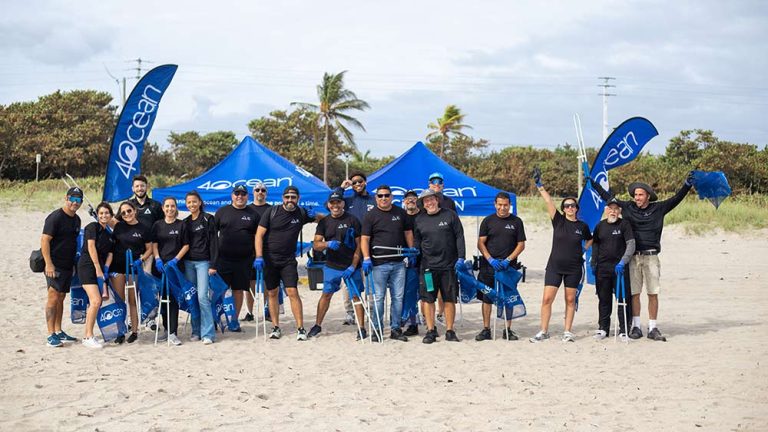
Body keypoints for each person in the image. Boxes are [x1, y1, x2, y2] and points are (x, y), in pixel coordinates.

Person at [589, 172, 694, 341]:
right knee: (634, 293)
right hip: (634, 257)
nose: (637, 197)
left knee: (653, 292)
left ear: (648, 196)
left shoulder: (659, 208)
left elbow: (676, 199)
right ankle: (636, 327)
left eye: (640, 195)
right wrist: (594, 184)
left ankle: (652, 328)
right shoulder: (628, 208)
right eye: (635, 195)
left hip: (651, 256)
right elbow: (609, 198)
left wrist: (687, 185)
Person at [530, 168, 592, 343]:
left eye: (572, 205)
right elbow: (549, 201)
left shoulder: (582, 226)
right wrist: (540, 186)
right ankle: (543, 331)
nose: (570, 208)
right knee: (547, 299)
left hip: (573, 268)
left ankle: (567, 331)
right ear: (563, 209)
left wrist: (584, 250)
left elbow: (590, 239)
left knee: (570, 299)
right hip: (555, 266)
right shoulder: (558, 221)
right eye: (566, 206)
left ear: (577, 208)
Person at [254, 185, 316, 341]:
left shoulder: (301, 213)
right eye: (287, 197)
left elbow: (323, 218)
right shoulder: (272, 211)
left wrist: (315, 215)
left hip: (288, 260)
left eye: (293, 197)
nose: (290, 200)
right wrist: (259, 256)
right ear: (283, 198)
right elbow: (258, 235)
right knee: (272, 293)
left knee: (292, 292)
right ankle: (275, 327)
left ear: (298, 199)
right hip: (269, 259)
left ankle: (300, 328)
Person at [307, 189, 365, 339]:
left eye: (338, 202)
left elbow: (359, 246)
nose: (335, 205)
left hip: (351, 266)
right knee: (326, 295)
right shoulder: (324, 222)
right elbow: (316, 244)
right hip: (332, 266)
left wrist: (353, 265)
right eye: (332, 203)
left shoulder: (353, 220)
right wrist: (327, 244)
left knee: (356, 297)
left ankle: (362, 328)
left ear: (343, 203)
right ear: (328, 205)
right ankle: (317, 325)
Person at [361, 185, 414, 342]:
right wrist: (366, 258)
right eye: (380, 196)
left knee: (398, 297)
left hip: (399, 263)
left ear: (391, 197)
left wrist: (411, 250)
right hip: (378, 264)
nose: (384, 198)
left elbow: (408, 232)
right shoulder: (370, 216)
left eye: (386, 195)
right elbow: (365, 239)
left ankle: (395, 328)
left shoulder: (401, 213)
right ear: (376, 198)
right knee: (379, 298)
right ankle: (377, 329)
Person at [413, 189, 466, 344]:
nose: (429, 203)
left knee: (449, 298)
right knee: (428, 299)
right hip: (428, 268)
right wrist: (414, 251)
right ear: (423, 204)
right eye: (426, 201)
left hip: (448, 266)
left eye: (431, 200)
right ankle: (430, 330)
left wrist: (461, 257)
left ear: (437, 200)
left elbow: (459, 236)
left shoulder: (450, 215)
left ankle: (450, 330)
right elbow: (417, 240)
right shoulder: (419, 219)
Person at [475, 192, 526, 342]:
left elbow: (521, 244)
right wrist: (490, 259)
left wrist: (508, 259)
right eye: (500, 205)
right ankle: (486, 329)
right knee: (487, 297)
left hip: (508, 267)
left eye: (505, 205)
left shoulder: (517, 222)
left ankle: (507, 329)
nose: (503, 208)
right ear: (495, 204)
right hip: (489, 266)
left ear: (510, 205)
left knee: (508, 298)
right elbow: (480, 243)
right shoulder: (487, 221)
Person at [211, 185, 260, 332]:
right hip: (223, 259)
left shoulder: (253, 214)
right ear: (232, 195)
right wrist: (212, 259)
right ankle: (216, 319)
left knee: (238, 291)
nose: (240, 196)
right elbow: (212, 237)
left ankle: (234, 321)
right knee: (220, 291)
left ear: (247, 196)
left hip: (244, 261)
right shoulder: (221, 212)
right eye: (237, 193)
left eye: (243, 194)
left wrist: (258, 256)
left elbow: (259, 237)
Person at [41, 187, 83, 347]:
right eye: (72, 199)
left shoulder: (77, 219)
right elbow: (45, 240)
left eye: (78, 200)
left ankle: (58, 331)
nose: (74, 202)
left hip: (67, 265)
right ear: (66, 198)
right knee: (53, 296)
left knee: (61, 297)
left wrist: (73, 264)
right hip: (54, 264)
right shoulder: (55, 217)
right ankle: (50, 334)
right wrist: (49, 264)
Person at [590, 198, 635, 339]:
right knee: (604, 299)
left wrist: (623, 262)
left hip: (620, 269)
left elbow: (631, 244)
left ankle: (623, 330)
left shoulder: (624, 225)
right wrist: (594, 262)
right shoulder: (600, 226)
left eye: (616, 209)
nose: (613, 211)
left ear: (619, 211)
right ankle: (603, 328)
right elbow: (595, 245)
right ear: (606, 210)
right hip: (603, 269)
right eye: (610, 208)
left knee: (622, 299)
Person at [110, 201, 153, 344]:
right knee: (119, 301)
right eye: (123, 213)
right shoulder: (118, 227)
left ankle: (134, 331)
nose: (127, 214)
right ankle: (120, 331)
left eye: (129, 211)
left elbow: (149, 249)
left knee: (132, 300)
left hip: (133, 268)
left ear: (134, 211)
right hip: (117, 268)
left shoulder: (143, 228)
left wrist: (141, 260)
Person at [151, 197, 189, 346]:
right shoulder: (157, 225)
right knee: (163, 298)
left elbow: (186, 245)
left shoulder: (182, 225)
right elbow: (154, 244)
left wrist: (176, 260)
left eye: (172, 206)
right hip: (160, 267)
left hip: (175, 268)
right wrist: (157, 258)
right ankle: (166, 329)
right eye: (167, 206)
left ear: (176, 208)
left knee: (173, 299)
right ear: (163, 208)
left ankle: (173, 332)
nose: (170, 209)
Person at [339, 171, 376, 325]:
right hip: (351, 249)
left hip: (370, 247)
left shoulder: (375, 199)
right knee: (348, 284)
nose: (357, 184)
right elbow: (328, 204)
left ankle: (372, 312)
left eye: (360, 181)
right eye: (354, 182)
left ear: (365, 182)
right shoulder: (347, 200)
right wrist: (341, 188)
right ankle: (350, 313)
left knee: (370, 283)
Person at [76, 202, 115, 348]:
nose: (104, 215)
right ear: (97, 215)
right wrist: (98, 268)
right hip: (87, 267)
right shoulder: (92, 228)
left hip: (100, 269)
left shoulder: (109, 234)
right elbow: (91, 247)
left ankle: (89, 334)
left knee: (96, 302)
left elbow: (110, 253)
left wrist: (105, 268)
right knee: (96, 301)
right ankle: (88, 336)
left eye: (107, 213)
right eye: (101, 213)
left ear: (111, 215)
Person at [183, 191, 217, 345]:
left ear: (200, 202)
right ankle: (196, 330)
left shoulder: (208, 218)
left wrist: (213, 264)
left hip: (203, 263)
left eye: (194, 202)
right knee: (192, 298)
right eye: (189, 202)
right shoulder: (185, 222)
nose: (192, 205)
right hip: (188, 263)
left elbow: (214, 243)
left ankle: (208, 333)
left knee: (203, 297)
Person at [245, 181, 272, 322]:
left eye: (263, 190)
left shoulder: (272, 209)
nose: (260, 192)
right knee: (250, 283)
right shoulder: (247, 209)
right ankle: (250, 312)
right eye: (257, 190)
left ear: (266, 193)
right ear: (253, 192)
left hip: (266, 251)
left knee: (267, 282)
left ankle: (267, 309)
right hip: (249, 252)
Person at [401, 190, 421, 336]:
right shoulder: (401, 217)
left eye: (413, 199)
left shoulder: (424, 216)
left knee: (429, 291)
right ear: (404, 201)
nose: (411, 201)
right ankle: (412, 323)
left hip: (427, 261)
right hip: (408, 261)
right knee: (409, 293)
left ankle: (431, 324)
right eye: (408, 199)